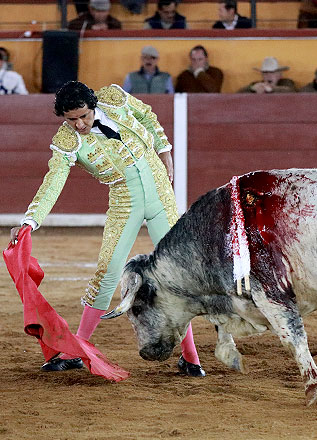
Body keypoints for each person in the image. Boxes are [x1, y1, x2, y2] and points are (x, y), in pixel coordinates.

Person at [8, 81, 203, 376]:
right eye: (70, 119)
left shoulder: (113, 97)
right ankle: (78, 349)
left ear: (93, 106)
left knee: (175, 272)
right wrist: (29, 221)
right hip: (125, 200)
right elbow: (53, 181)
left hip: (160, 193)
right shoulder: (67, 141)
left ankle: (191, 358)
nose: (79, 124)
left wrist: (165, 150)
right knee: (108, 271)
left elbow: (147, 114)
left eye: (83, 116)